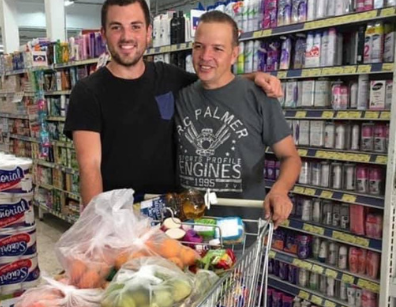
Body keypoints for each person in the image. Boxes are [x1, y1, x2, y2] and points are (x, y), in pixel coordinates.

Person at [65, 0, 281, 205]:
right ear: (104, 34)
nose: (126, 36)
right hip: (119, 218)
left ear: (149, 32)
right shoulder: (87, 92)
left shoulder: (169, 77)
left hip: (170, 217)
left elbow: (216, 79)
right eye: (116, 27)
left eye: (135, 26)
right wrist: (97, 228)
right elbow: (89, 167)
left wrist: (254, 78)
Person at [175, 11, 301, 225]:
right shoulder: (180, 95)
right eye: (199, 46)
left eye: (217, 48)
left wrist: (279, 191)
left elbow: (291, 157)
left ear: (234, 54)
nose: (205, 56)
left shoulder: (259, 97)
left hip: (242, 233)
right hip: (188, 233)